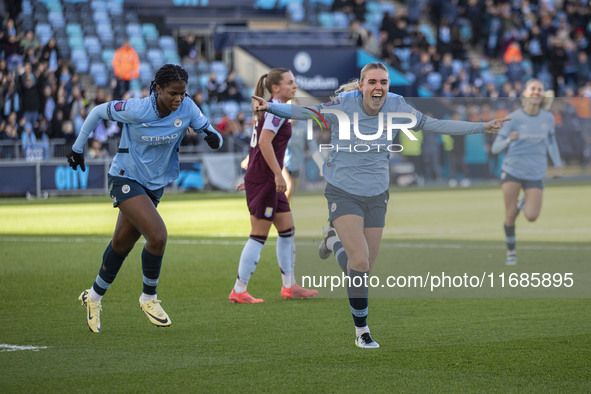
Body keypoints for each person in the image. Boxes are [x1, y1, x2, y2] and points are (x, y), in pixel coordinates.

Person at [251, 62, 510, 348]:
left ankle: (332, 240)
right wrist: (271, 107)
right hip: (343, 191)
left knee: (362, 270)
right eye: (372, 82)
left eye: (383, 82)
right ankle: (362, 332)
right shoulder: (343, 105)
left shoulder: (398, 106)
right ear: (361, 86)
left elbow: (435, 124)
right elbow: (306, 112)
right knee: (359, 260)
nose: (378, 87)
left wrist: (482, 127)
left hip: (377, 194)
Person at [67, 64, 223, 333]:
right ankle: (148, 298)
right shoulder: (137, 109)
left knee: (121, 244)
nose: (179, 99)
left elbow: (214, 134)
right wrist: (77, 148)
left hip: (154, 186)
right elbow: (96, 112)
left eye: (183, 94)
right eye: (173, 93)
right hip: (125, 178)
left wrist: (212, 137)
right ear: (158, 89)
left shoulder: (187, 108)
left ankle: (92, 297)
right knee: (158, 235)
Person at [229, 68, 318, 304]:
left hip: (263, 177)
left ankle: (290, 286)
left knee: (287, 229)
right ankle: (239, 290)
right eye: (290, 82)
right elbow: (265, 142)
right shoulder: (275, 111)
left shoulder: (272, 108)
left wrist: (250, 173)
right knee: (258, 235)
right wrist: (277, 175)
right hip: (267, 179)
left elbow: (257, 145)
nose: (295, 86)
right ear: (276, 88)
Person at [491, 79, 562, 265]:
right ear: (525, 93)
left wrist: (558, 164)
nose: (537, 92)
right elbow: (495, 148)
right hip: (512, 171)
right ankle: (511, 253)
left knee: (531, 216)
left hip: (536, 172)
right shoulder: (513, 118)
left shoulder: (547, 117)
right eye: (533, 88)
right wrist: (508, 140)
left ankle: (524, 203)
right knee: (510, 213)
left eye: (540, 89)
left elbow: (552, 142)